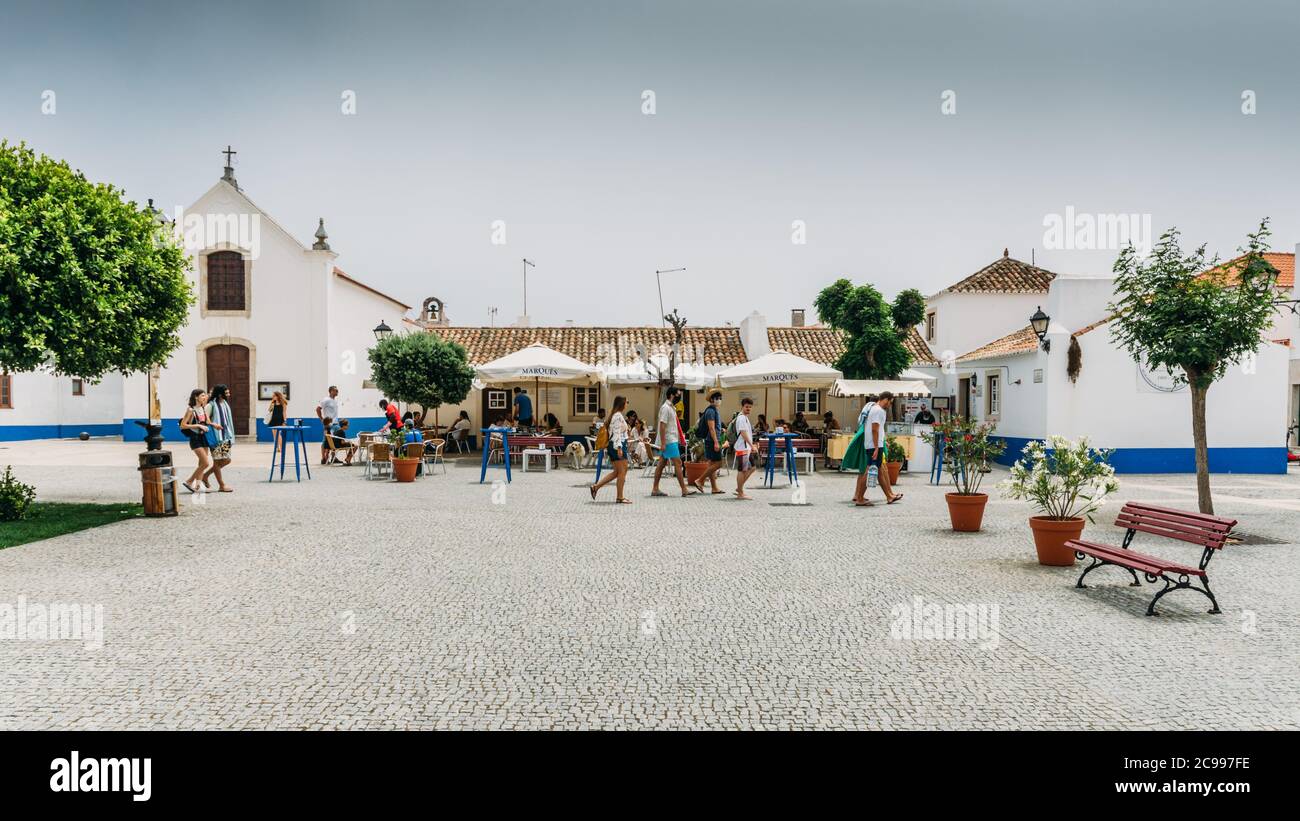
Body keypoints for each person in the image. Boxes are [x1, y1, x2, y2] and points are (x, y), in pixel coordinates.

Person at [848, 391, 902, 507]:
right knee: (868, 471)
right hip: (874, 446)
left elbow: (877, 430)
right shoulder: (878, 411)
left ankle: (889, 496)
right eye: (890, 402)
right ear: (886, 399)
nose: (890, 405)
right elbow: (874, 429)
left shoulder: (875, 409)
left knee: (878, 471)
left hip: (873, 445)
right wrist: (877, 447)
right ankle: (860, 498)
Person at [651, 387, 695, 497]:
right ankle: (684, 489)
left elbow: (675, 425)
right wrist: (664, 443)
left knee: (661, 464)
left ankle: (655, 488)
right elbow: (662, 426)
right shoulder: (666, 408)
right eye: (678, 394)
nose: (679, 397)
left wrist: (681, 438)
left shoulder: (671, 408)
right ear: (671, 395)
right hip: (669, 439)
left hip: (671, 439)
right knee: (678, 463)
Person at [589, 395, 632, 504]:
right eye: (627, 401)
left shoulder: (614, 414)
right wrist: (619, 447)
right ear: (622, 403)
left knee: (617, 472)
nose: (628, 403)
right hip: (617, 445)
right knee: (622, 471)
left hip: (614, 445)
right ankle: (620, 497)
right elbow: (617, 432)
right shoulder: (617, 416)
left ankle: (596, 487)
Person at [179, 389, 213, 494]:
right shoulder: (190, 410)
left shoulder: (203, 408)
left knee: (201, 463)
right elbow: (183, 425)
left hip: (204, 437)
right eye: (202, 395)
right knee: (206, 463)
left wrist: (215, 425)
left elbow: (207, 422)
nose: (205, 397)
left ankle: (198, 486)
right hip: (195, 438)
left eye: (205, 396)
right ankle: (189, 481)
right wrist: (198, 425)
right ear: (196, 397)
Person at [694, 389, 727, 494]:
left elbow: (715, 427)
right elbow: (711, 428)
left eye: (720, 398)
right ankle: (700, 480)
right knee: (719, 463)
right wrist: (716, 442)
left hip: (711, 440)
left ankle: (714, 488)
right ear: (712, 399)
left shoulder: (714, 410)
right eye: (717, 398)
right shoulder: (711, 411)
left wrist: (720, 430)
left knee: (712, 464)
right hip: (712, 441)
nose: (719, 400)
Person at [203, 384, 235, 492]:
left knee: (227, 460)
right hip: (216, 438)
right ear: (220, 394)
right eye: (226, 393)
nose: (229, 394)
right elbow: (205, 421)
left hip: (225, 436)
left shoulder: (225, 404)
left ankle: (205, 475)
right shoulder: (210, 406)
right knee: (217, 461)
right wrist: (214, 425)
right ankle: (222, 485)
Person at [733, 396, 758, 499]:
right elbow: (743, 433)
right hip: (742, 447)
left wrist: (751, 445)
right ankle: (740, 493)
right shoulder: (741, 418)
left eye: (750, 407)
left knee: (752, 467)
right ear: (742, 406)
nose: (748, 409)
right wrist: (752, 445)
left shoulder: (745, 417)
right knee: (742, 470)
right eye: (747, 407)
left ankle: (739, 488)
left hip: (746, 447)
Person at [317, 386, 341, 464]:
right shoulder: (326, 400)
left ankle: (333, 457)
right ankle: (323, 458)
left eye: (337, 390)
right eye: (335, 390)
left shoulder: (334, 401)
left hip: (336, 423)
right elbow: (318, 409)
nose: (337, 392)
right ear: (330, 391)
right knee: (325, 441)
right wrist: (321, 419)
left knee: (335, 441)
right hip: (329, 425)